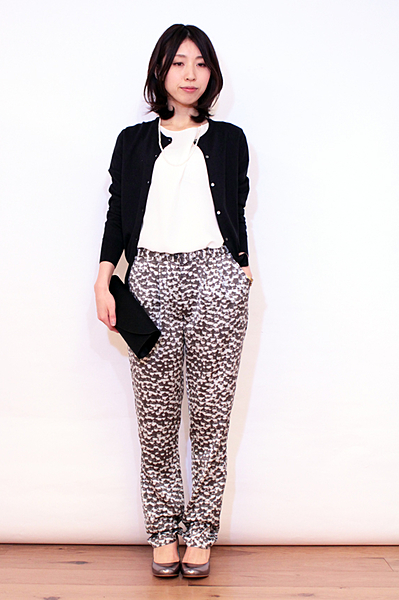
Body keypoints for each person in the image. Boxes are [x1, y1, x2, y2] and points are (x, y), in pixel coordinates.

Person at [95, 23, 252, 578]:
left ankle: (201, 531)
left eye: (201, 63)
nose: (190, 74)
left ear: (212, 74)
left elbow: (235, 204)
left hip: (215, 278)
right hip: (150, 279)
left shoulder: (229, 138)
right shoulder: (132, 141)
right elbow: (118, 211)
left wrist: (239, 267)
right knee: (156, 417)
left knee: (211, 416)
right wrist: (104, 279)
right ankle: (163, 531)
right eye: (180, 62)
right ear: (160, 69)